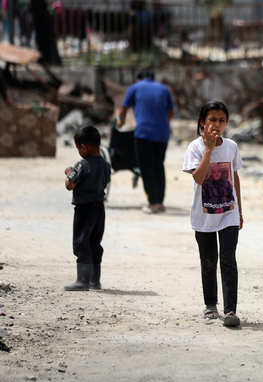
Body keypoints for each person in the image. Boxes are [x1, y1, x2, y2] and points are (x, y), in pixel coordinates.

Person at [182, 101, 243, 327]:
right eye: (212, 120)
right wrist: (208, 148)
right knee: (208, 261)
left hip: (229, 212)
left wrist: (240, 210)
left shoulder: (231, 147)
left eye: (222, 120)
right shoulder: (195, 148)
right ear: (202, 122)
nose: (217, 125)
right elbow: (198, 178)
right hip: (204, 215)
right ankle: (210, 304)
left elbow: (234, 177)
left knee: (228, 260)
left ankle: (230, 310)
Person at [117, 69, 174, 214]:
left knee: (147, 168)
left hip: (144, 134)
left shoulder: (135, 87)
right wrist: (163, 124)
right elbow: (171, 111)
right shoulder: (164, 89)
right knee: (158, 166)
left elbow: (123, 108)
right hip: (162, 134)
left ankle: (153, 203)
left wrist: (120, 122)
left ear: (139, 79)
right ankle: (160, 202)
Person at [64, 126, 111, 291]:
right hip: (99, 209)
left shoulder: (82, 165)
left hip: (84, 209)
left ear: (83, 147)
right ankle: (94, 280)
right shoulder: (105, 164)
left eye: (78, 148)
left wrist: (69, 172)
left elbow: (70, 185)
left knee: (81, 242)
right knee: (94, 243)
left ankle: (82, 281)